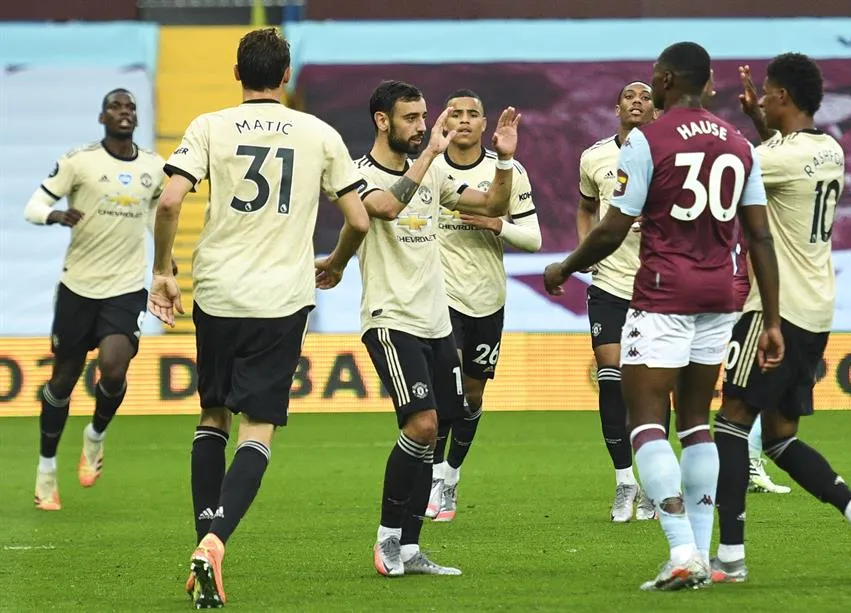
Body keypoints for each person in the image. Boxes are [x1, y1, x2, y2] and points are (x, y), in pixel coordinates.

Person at [543, 41, 784, 591]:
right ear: (712, 83)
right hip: (724, 294)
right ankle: (701, 552)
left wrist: (564, 267)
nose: (651, 84)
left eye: (655, 76)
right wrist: (770, 319)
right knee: (697, 420)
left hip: (663, 293)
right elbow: (761, 235)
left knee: (646, 419)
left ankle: (680, 551)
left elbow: (608, 228)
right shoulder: (740, 143)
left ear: (669, 80)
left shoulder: (648, 142)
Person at [148, 28, 369, 608]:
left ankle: (203, 541)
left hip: (218, 292)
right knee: (258, 428)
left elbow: (170, 201)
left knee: (212, 415)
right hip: (281, 298)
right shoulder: (320, 133)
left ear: (236, 73)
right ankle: (217, 542)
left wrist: (163, 271)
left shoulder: (209, 125)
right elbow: (361, 220)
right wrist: (338, 264)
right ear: (287, 75)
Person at [712, 54, 851, 584]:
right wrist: (759, 120)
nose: (760, 99)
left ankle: (729, 557)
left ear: (784, 97)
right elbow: (778, 151)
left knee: (730, 421)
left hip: (775, 310)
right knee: (780, 437)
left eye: (766, 93)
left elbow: (732, 169)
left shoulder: (773, 158)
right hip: (816, 310)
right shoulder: (828, 149)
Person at [356, 80, 520, 577]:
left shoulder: (434, 176)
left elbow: (492, 205)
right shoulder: (356, 173)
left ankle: (409, 548)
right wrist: (429, 156)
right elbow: (384, 208)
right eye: (411, 117)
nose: (423, 125)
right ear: (383, 120)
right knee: (421, 425)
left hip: (435, 322)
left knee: (438, 428)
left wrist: (506, 161)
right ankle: (386, 542)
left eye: (424, 116)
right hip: (389, 318)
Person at [24, 89, 168, 511]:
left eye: (130, 107)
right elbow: (35, 205)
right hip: (77, 288)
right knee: (63, 380)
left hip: (124, 288)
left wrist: (165, 266)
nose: (124, 112)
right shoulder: (79, 161)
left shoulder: (153, 168)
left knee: (113, 367)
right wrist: (54, 215)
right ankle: (46, 470)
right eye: (116, 107)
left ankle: (95, 436)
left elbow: (159, 217)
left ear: (136, 118)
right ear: (102, 116)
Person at [425, 88, 542, 523]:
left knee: (472, 395)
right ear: (444, 121)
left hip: (487, 299)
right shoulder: (429, 168)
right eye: (455, 112)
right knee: (445, 386)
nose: (464, 119)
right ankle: (434, 474)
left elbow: (533, 240)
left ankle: (451, 475)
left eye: (473, 113)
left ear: (484, 124)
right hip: (440, 296)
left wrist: (497, 223)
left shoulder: (507, 171)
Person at [576, 81, 661, 523]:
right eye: (629, 96)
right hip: (609, 283)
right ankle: (625, 481)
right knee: (610, 380)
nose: (636, 101)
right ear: (617, 108)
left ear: (655, 108)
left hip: (657, 287)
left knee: (648, 388)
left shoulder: (669, 153)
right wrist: (586, 250)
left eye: (645, 96)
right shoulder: (595, 157)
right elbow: (586, 206)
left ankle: (653, 483)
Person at [732, 230, 790, 494]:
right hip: (746, 307)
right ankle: (749, 464)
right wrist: (767, 315)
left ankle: (742, 465)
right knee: (767, 388)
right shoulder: (761, 216)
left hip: (729, 304)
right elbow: (755, 255)